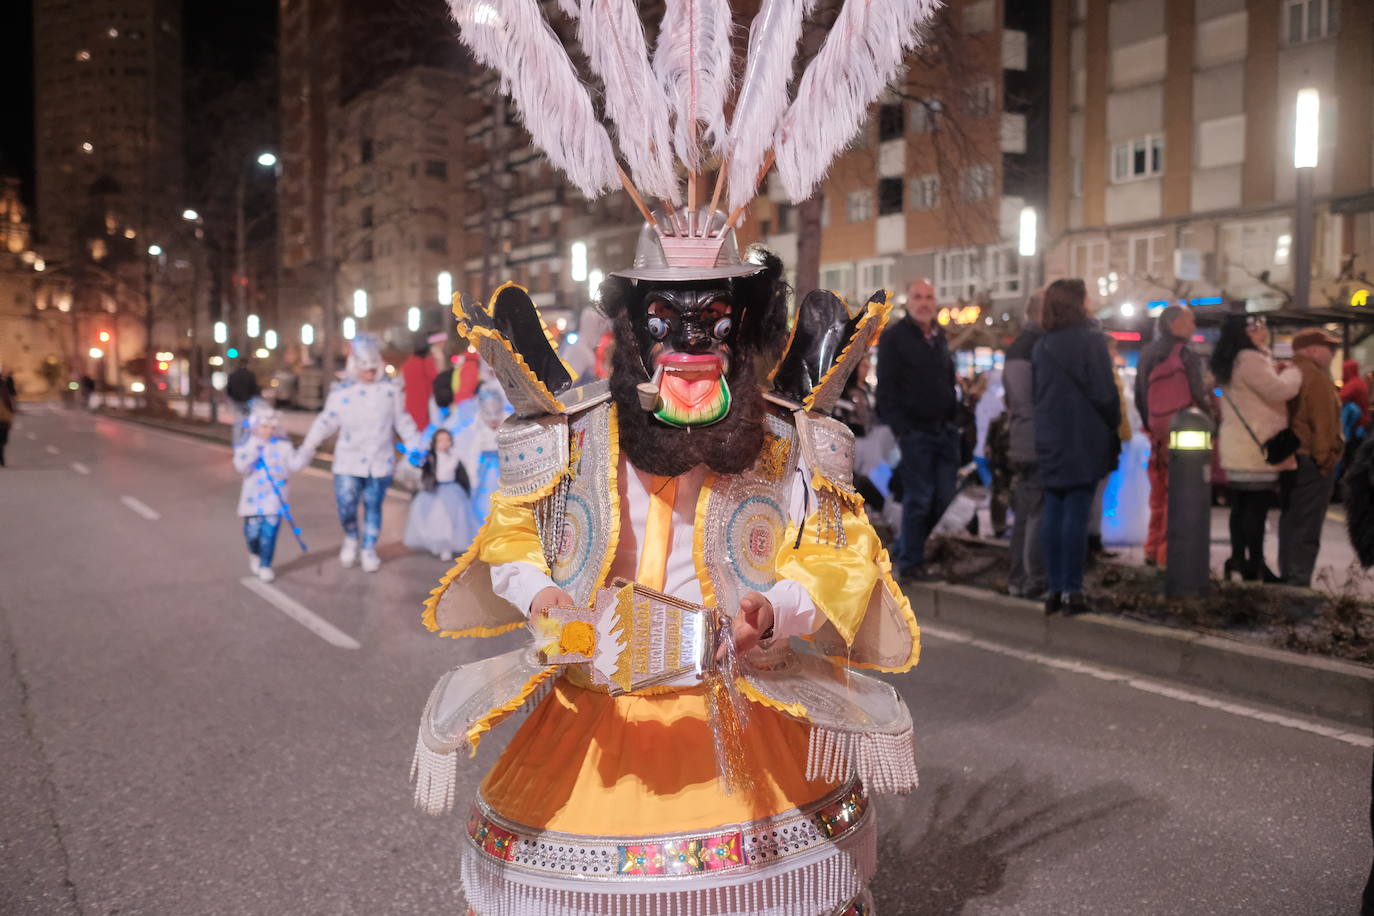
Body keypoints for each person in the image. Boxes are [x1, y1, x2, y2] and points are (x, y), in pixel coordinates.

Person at [293, 335, 421, 573]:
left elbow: (403, 422)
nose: (370, 373)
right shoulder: (342, 392)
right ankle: (351, 537)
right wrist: (307, 448)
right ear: (355, 365)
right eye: (365, 368)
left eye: (373, 368)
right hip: (347, 462)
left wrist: (416, 447)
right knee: (346, 505)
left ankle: (368, 548)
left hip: (379, 463)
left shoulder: (390, 391)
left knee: (374, 506)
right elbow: (325, 422)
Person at [1032, 279, 1120, 615]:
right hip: (1083, 437)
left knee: (1054, 511)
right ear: (1077, 302)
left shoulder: (1042, 346)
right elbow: (1104, 392)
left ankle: (1054, 589)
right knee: (1076, 514)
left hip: (1051, 438)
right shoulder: (1092, 340)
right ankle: (1072, 590)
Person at [876, 277, 959, 580]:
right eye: (918, 297)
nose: (924, 303)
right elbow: (886, 388)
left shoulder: (939, 336)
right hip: (915, 432)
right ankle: (910, 562)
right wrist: (901, 429)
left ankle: (904, 548)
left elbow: (947, 379)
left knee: (945, 496)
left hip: (944, 431)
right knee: (919, 498)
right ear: (908, 302)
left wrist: (956, 417)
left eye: (929, 297)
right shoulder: (895, 338)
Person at [1211, 314, 1301, 582]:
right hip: (1256, 447)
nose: (1263, 331)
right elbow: (1277, 391)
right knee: (1256, 508)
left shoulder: (1233, 360)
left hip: (1240, 445)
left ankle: (1239, 559)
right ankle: (1256, 564)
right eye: (1257, 327)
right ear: (1245, 332)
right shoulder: (1249, 359)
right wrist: (1295, 371)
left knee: (1240, 506)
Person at [1135, 305, 1210, 566]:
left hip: (1157, 431)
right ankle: (1168, 553)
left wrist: (1151, 424)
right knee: (1178, 493)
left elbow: (1140, 394)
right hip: (1182, 430)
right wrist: (1209, 420)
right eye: (1189, 322)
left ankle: (1151, 548)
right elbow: (1197, 394)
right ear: (1175, 323)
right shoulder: (1186, 354)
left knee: (1157, 493)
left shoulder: (1147, 353)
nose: (1194, 327)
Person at [1279, 327, 1343, 587]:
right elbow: (1323, 423)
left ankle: (1290, 574)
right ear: (1314, 349)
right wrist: (1326, 460)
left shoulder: (1291, 371)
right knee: (1307, 523)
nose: (1332, 354)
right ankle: (1298, 580)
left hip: (1294, 457)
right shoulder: (1314, 375)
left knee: (1291, 519)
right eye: (1330, 349)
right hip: (1310, 458)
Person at [1003, 288, 1047, 599]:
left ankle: (1017, 576)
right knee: (1035, 510)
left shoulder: (1019, 345)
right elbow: (1028, 399)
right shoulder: (1034, 346)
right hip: (1033, 438)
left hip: (1022, 436)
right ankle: (1029, 578)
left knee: (1025, 509)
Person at [232, 403, 297, 583]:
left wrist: (306, 451)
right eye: (264, 426)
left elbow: (293, 465)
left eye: (271, 427)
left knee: (270, 533)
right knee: (252, 534)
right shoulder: (247, 444)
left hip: (274, 498)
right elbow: (241, 467)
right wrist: (255, 451)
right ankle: (254, 553)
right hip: (252, 499)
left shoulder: (282, 445)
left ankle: (265, 564)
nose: (268, 431)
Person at [403, 429, 479, 561]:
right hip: (433, 491)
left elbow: (462, 477)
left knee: (449, 521)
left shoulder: (455, 459)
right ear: (434, 442)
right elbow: (419, 466)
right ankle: (436, 543)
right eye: (440, 440)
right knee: (433, 520)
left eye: (447, 440)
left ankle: (446, 546)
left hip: (451, 491)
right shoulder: (430, 458)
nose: (444, 443)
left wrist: (466, 490)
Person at [400, 332, 442, 431]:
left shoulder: (407, 364)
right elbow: (436, 379)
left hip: (409, 405)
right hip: (424, 405)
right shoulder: (426, 363)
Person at [0, 371, 13, 467]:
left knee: (2, 440)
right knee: (2, 440)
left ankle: (1, 459)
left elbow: (9, 404)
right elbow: (9, 405)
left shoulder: (4, 390)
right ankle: (2, 459)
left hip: (3, 418)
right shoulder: (4, 389)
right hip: (4, 419)